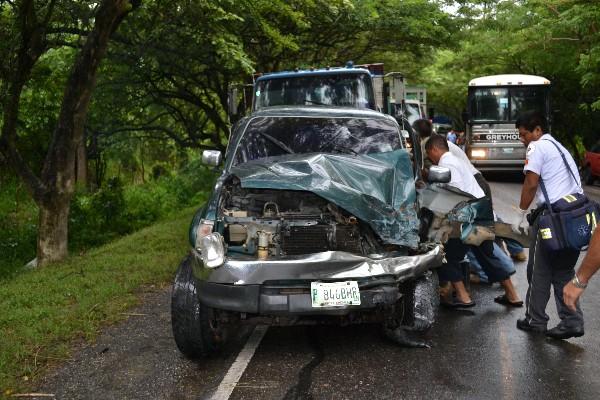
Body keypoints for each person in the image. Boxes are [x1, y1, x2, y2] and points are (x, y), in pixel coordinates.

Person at [425, 135, 522, 308]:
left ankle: (463, 297)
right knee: (487, 254)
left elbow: (455, 194)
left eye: (428, 154)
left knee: (443, 253)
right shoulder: (458, 161)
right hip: (482, 210)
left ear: (433, 149)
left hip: (468, 214)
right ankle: (512, 295)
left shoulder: (446, 164)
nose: (429, 158)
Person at [512, 110, 585, 339]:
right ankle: (572, 321)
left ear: (537, 130)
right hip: (575, 215)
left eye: (524, 134)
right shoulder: (560, 148)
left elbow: (531, 182)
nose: (523, 140)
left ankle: (536, 320)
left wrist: (521, 213)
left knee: (538, 270)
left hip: (553, 218)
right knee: (563, 270)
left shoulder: (538, 146)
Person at [413, 119, 528, 261]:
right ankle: (507, 255)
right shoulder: (440, 142)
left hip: (471, 185)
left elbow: (453, 189)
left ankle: (504, 260)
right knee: (487, 225)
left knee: (484, 230)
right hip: (472, 182)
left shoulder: (432, 147)